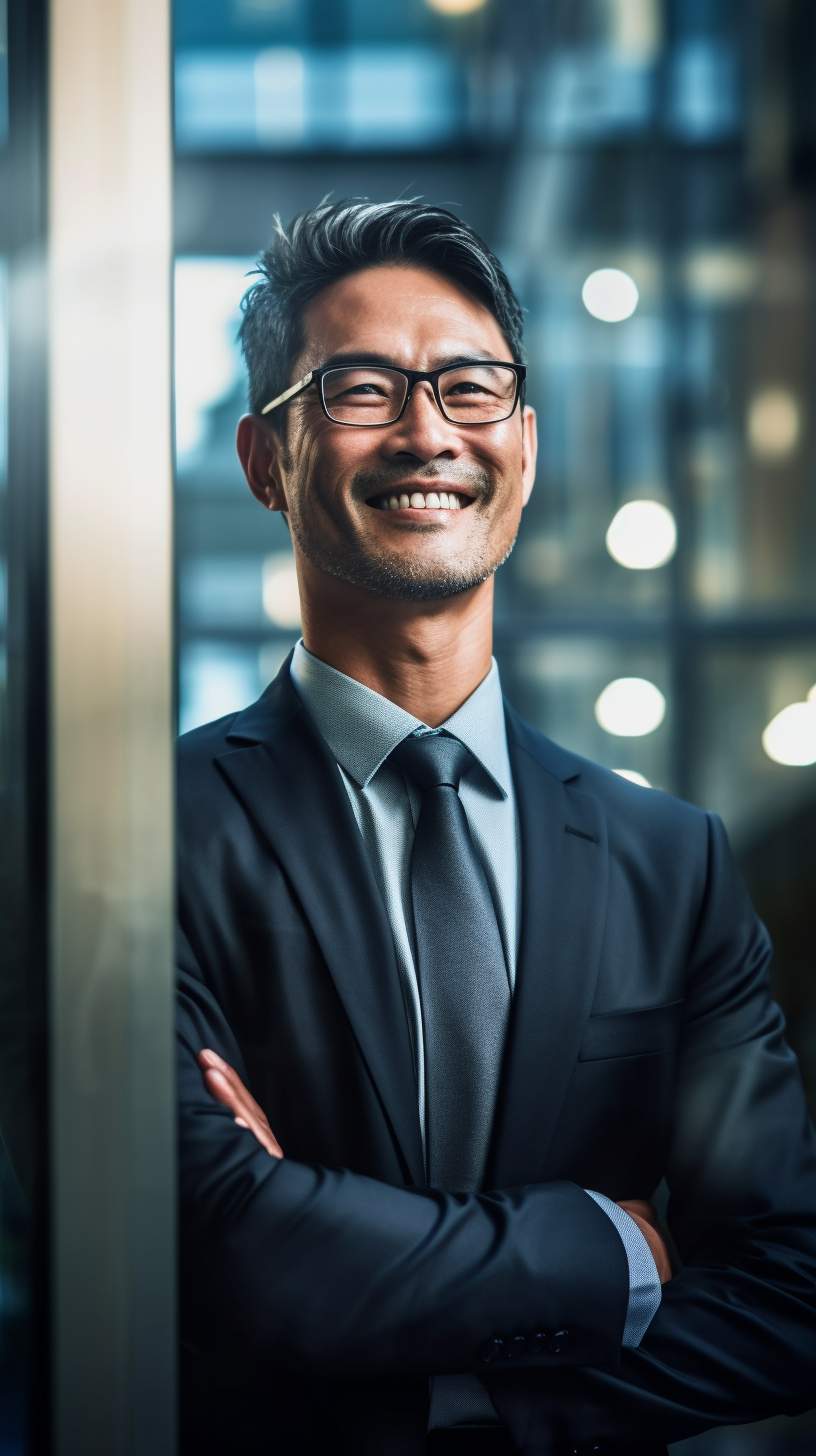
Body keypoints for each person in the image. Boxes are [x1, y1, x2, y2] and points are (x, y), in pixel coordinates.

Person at [176, 200, 816, 1456]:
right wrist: (609, 1244)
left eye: (470, 386)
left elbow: (789, 1290)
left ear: (523, 439)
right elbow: (220, 1242)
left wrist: (467, 1411)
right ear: (267, 459)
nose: (428, 430)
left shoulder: (667, 863)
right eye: (361, 387)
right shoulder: (153, 838)